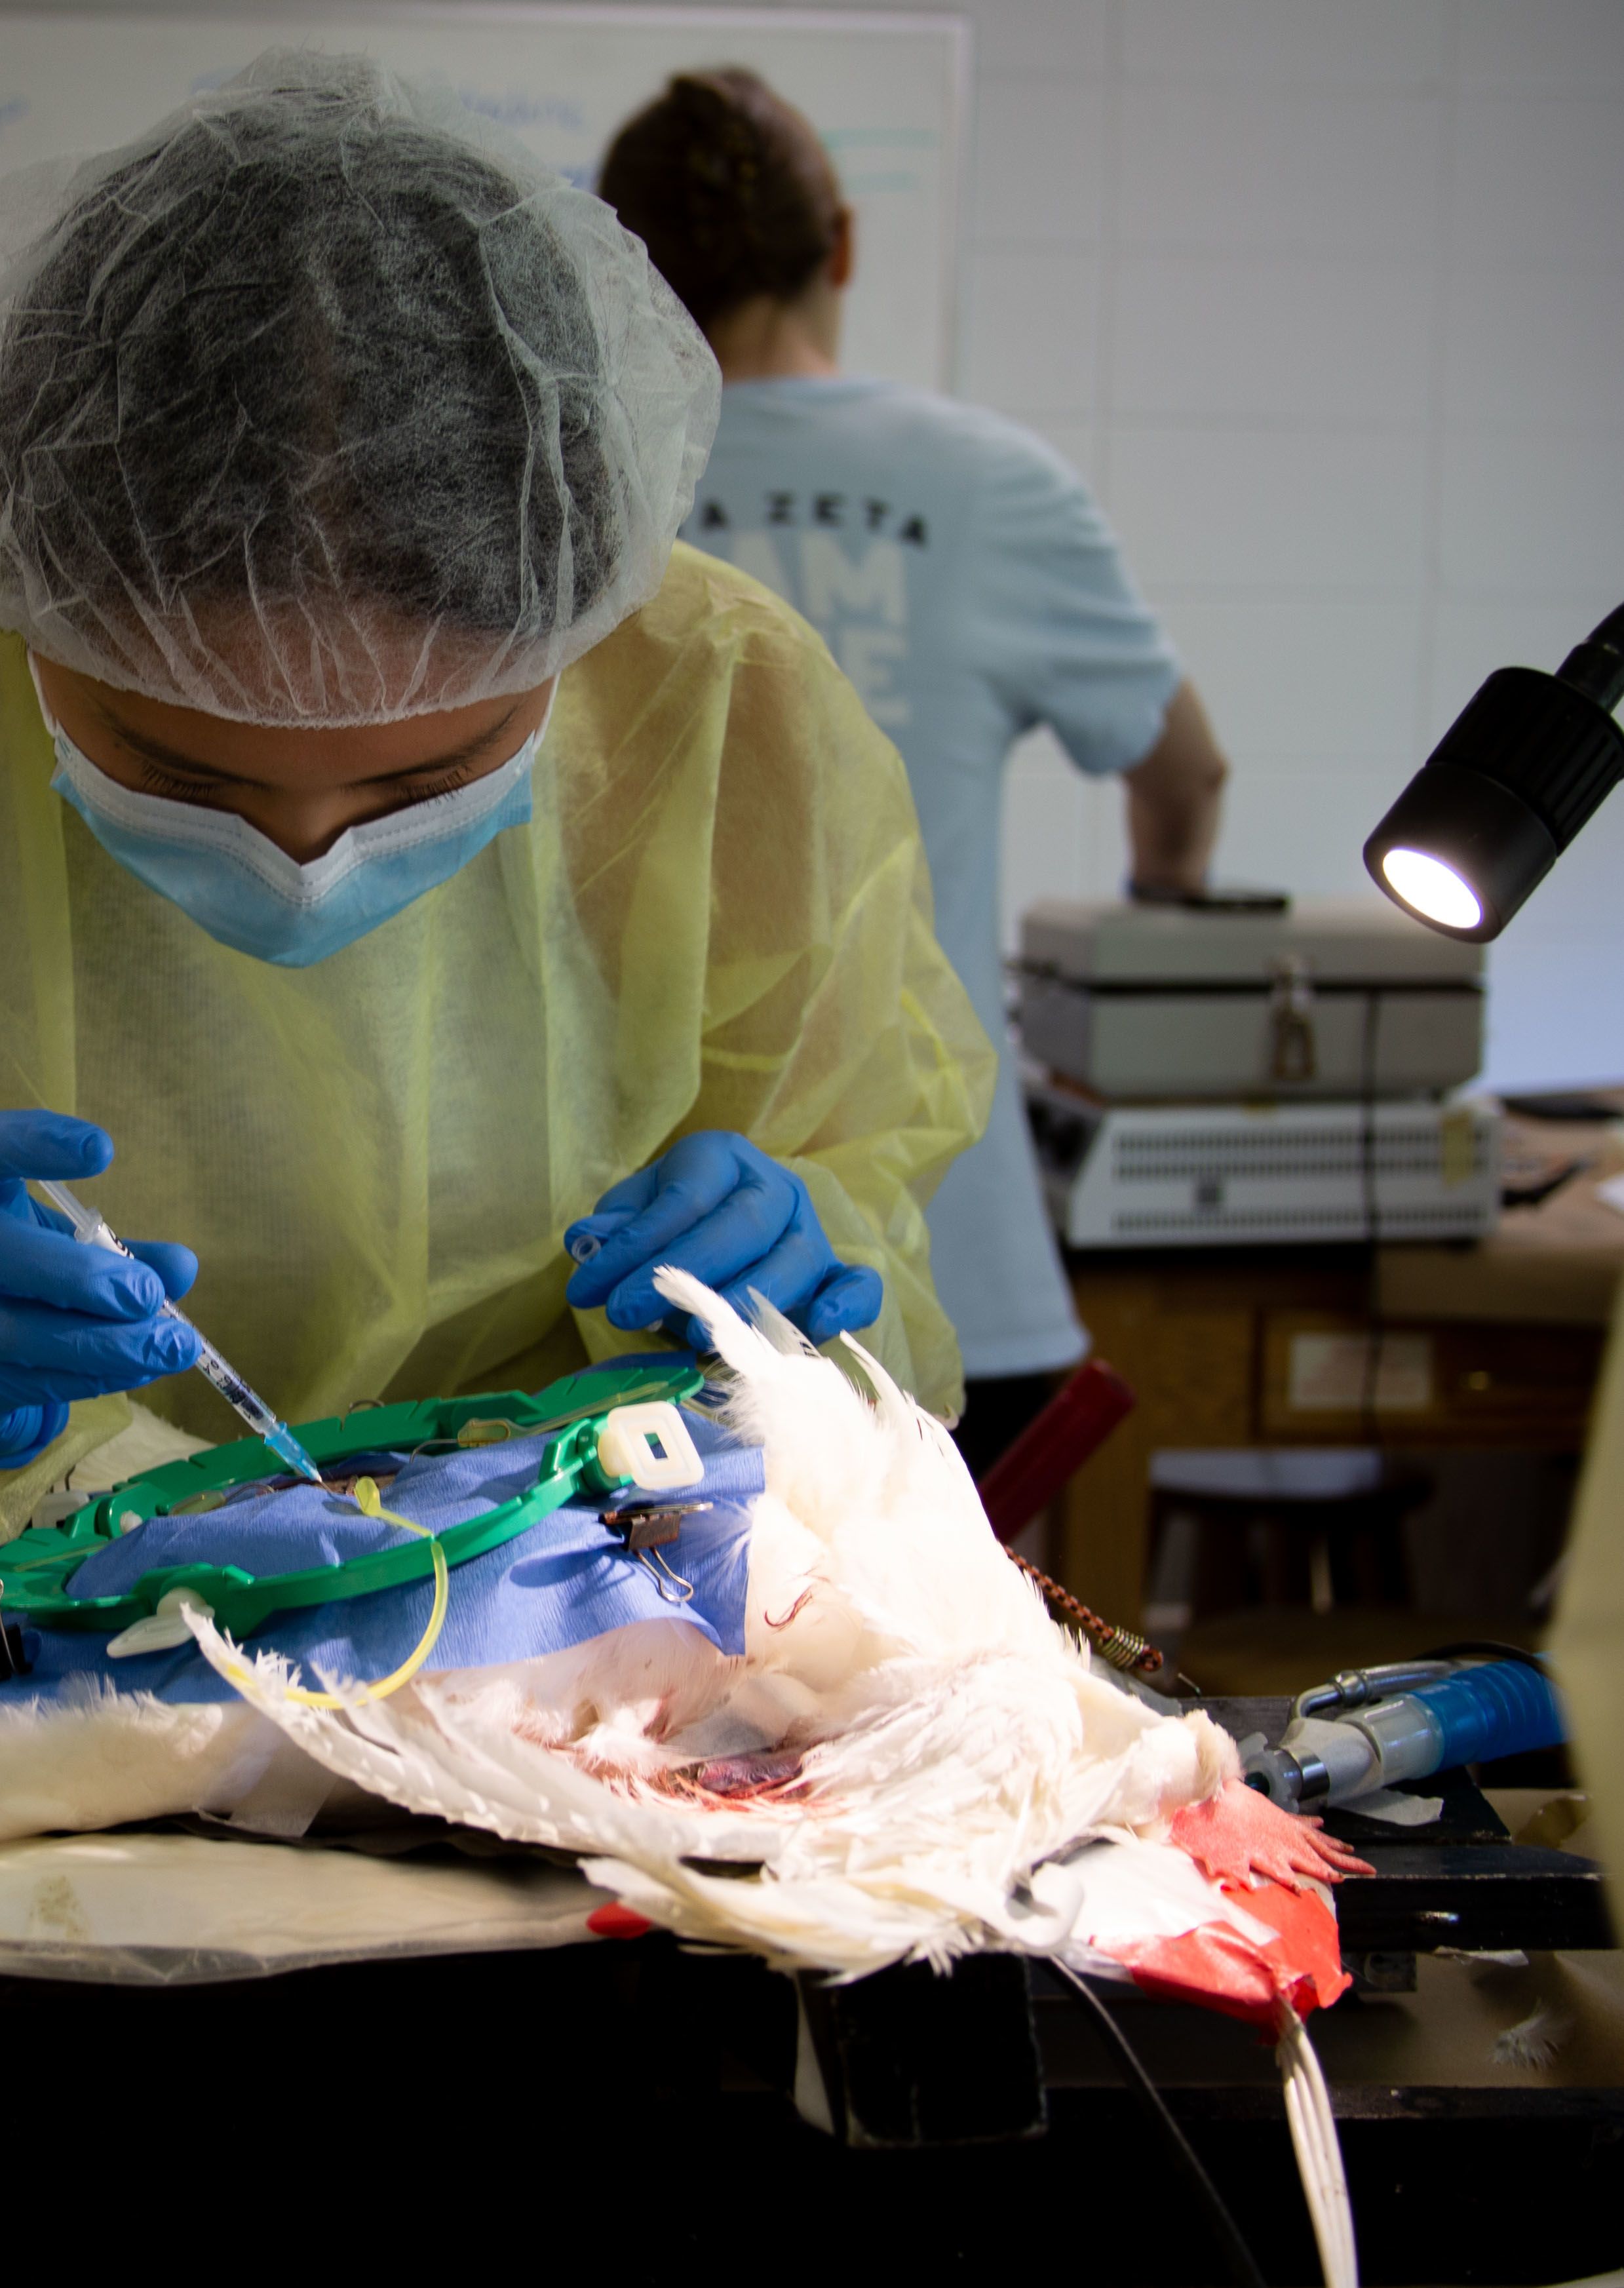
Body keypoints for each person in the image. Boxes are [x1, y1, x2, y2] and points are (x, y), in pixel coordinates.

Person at [0, 54, 992, 1697]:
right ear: (13, 589)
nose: (306, 863)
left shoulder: (716, 711)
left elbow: (864, 1299)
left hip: (554, 1670)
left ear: (573, 627)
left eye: (426, 781)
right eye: (180, 776)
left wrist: (777, 1317)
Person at [602, 69, 1231, 1474]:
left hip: (596, 1277)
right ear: (840, 247)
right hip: (941, 1264)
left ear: (617, 259)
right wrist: (1157, 903)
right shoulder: (988, 484)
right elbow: (1182, 768)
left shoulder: (565, 491)